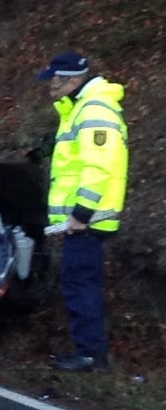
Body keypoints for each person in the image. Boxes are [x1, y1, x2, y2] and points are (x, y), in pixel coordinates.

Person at [39, 51, 129, 372]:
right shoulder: (82, 108)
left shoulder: (93, 109)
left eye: (55, 79)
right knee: (79, 282)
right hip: (85, 220)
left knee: (79, 284)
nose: (50, 85)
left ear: (74, 80)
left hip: (87, 221)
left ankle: (90, 355)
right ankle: (89, 352)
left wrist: (81, 214)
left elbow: (99, 167)